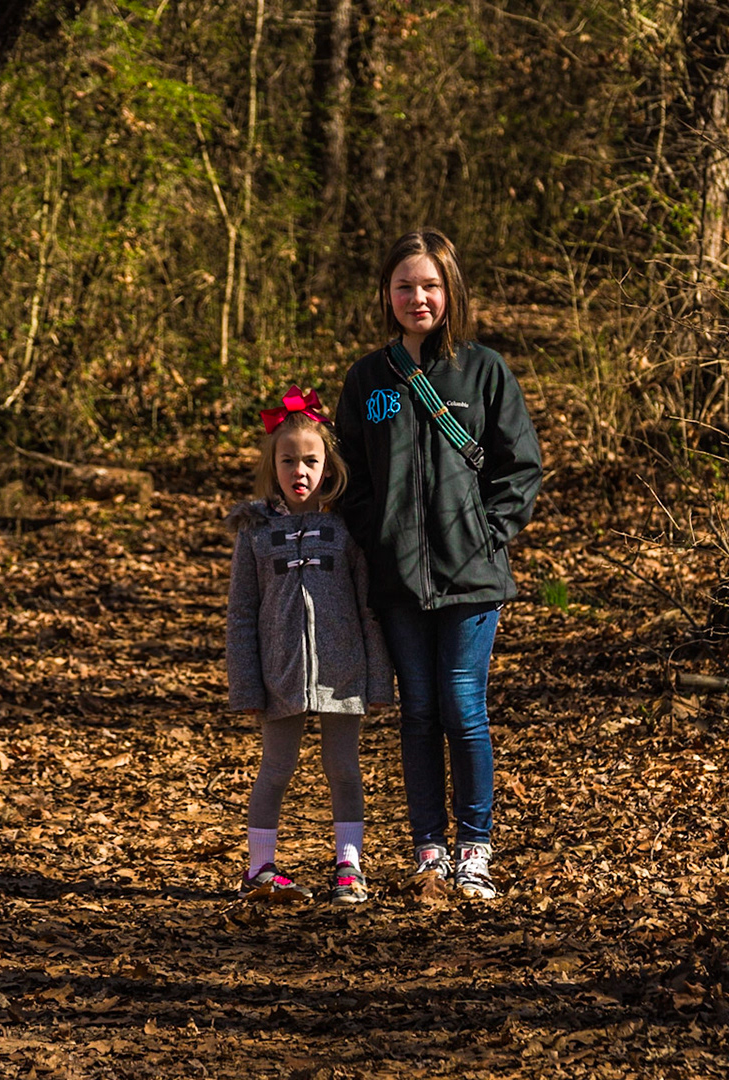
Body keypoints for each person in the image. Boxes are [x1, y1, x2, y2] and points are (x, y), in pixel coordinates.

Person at [334, 229, 543, 900]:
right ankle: (429, 850)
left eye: (429, 285)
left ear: (451, 291)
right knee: (418, 710)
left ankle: (474, 849)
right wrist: (378, 535)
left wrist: (488, 534)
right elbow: (350, 476)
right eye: (404, 286)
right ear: (386, 295)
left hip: (470, 575)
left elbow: (520, 466)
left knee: (462, 705)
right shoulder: (368, 379)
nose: (417, 297)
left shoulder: (484, 371)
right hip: (398, 580)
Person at [225, 386, 395, 904]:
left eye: (310, 460)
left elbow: (369, 605)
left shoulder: (345, 529)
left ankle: (349, 865)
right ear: (272, 466)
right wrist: (246, 683)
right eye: (288, 460)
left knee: (344, 768)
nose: (300, 470)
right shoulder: (254, 533)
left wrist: (377, 676)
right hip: (279, 672)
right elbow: (240, 616)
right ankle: (260, 868)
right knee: (275, 769)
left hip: (341, 671)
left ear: (329, 466)